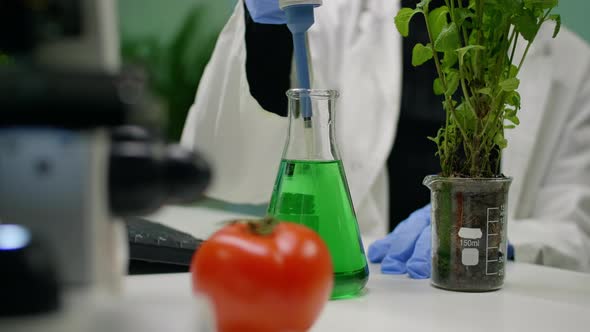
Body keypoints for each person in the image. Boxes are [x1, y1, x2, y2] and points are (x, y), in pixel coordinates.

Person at [181, 0, 590, 276]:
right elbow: (225, 163)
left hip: (488, 300)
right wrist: (262, 28)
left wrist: (493, 237)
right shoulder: (332, 17)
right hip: (358, 297)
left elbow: (577, 234)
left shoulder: (571, 64)